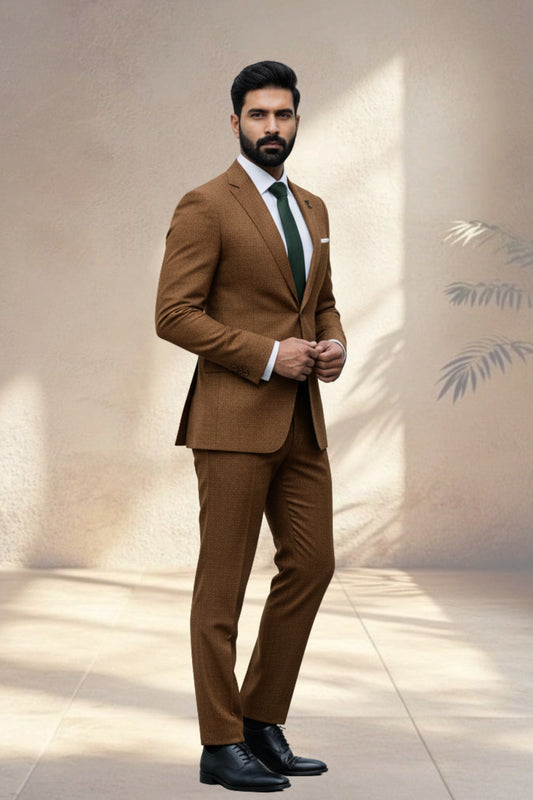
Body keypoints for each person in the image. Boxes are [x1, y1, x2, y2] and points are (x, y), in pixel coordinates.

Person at [156, 60, 346, 793]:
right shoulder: (206, 204)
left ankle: (262, 720)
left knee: (313, 563)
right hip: (233, 421)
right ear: (234, 120)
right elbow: (173, 314)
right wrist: (269, 355)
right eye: (259, 115)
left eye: (284, 115)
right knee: (223, 586)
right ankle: (219, 741)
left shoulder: (314, 207)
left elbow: (320, 302)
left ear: (297, 120)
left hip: (302, 421)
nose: (273, 127)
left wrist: (332, 344)